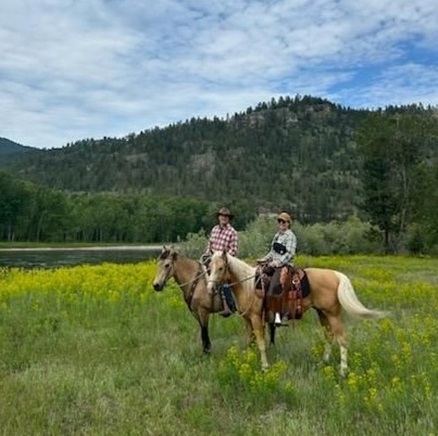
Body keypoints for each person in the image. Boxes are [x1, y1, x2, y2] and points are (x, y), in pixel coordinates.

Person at [258, 212, 297, 326]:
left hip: (285, 265)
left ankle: (279, 316)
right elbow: (272, 252)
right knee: (258, 277)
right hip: (273, 264)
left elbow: (290, 254)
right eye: (279, 221)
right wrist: (264, 260)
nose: (281, 224)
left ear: (288, 223)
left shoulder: (290, 236)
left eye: (284, 222)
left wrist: (277, 262)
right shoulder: (277, 236)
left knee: (273, 289)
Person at [202, 207, 238, 317]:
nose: (224, 218)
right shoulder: (214, 229)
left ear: (228, 219)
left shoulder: (232, 232)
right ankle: (202, 301)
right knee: (200, 273)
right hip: (212, 259)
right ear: (219, 217)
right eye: (222, 216)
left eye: (226, 216)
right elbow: (210, 245)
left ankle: (229, 305)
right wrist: (207, 253)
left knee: (223, 280)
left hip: (224, 261)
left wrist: (223, 258)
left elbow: (234, 250)